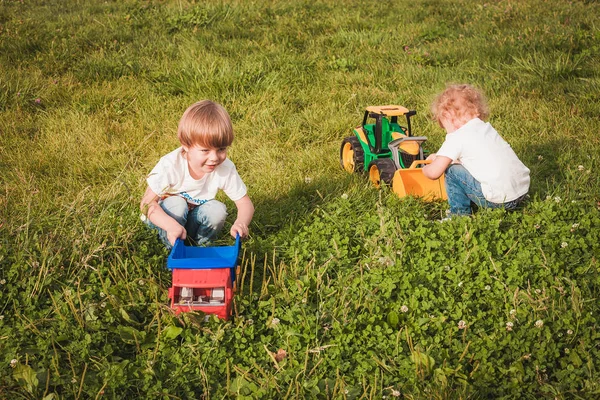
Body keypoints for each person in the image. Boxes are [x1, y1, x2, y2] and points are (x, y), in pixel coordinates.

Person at [140, 100, 254, 248]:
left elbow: (245, 203)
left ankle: (203, 248)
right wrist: (169, 225)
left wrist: (241, 222)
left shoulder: (224, 168)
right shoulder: (170, 165)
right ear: (186, 146)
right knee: (177, 204)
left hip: (190, 220)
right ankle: (173, 249)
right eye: (205, 150)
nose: (214, 158)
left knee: (217, 209)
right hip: (164, 220)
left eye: (221, 149)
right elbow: (146, 204)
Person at [422, 84, 530, 217]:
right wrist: (439, 156)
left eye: (444, 126)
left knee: (451, 171)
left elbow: (434, 173)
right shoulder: (485, 129)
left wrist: (425, 169)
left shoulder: (457, 137)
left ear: (449, 116)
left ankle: (459, 215)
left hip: (499, 201)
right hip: (521, 193)